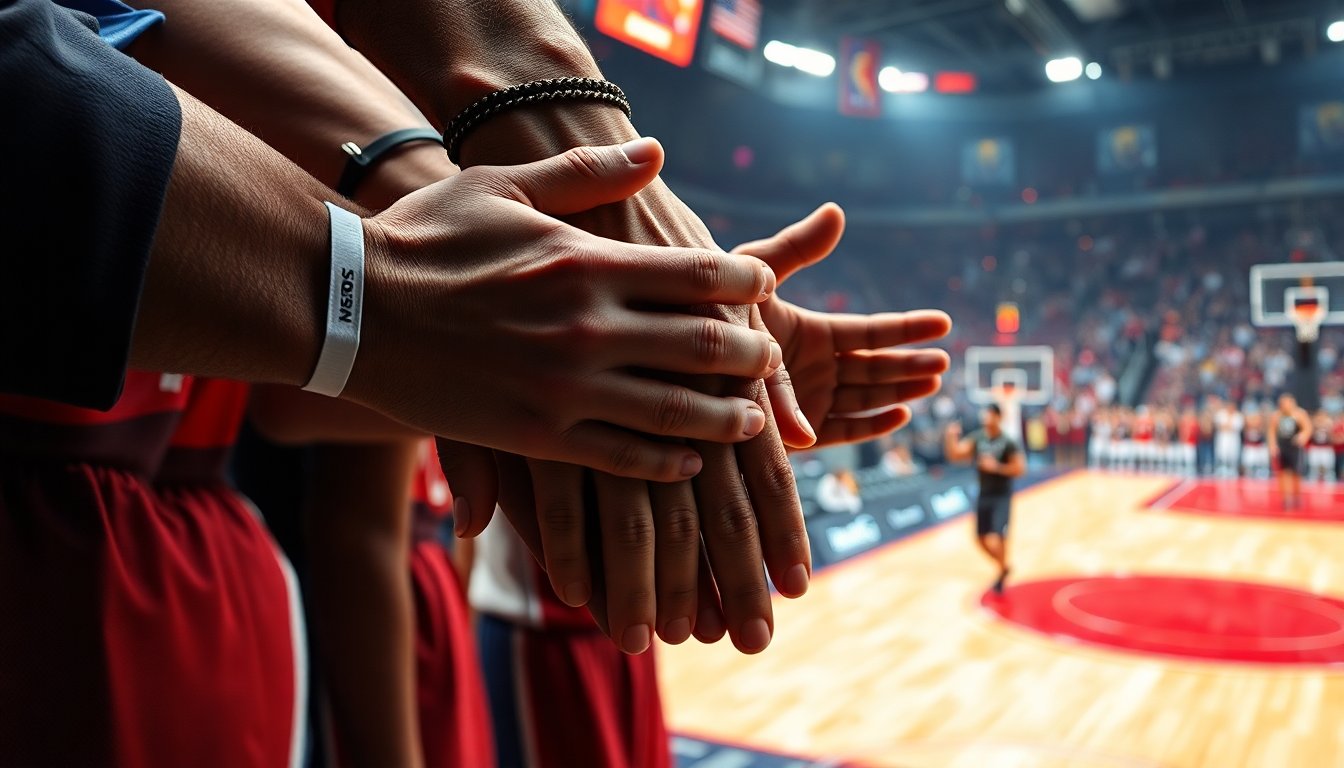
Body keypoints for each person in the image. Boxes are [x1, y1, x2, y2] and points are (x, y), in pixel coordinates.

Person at [945, 404, 1025, 595]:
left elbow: (1019, 469)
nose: (986, 419)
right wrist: (950, 436)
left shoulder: (1008, 442)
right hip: (984, 493)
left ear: (998, 417)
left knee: (1000, 535)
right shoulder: (977, 438)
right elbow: (956, 455)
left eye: (989, 415)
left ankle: (1001, 575)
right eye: (985, 415)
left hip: (1002, 495)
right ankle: (1003, 566)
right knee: (980, 538)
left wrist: (996, 467)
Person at [1268, 393, 1312, 507]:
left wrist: (1302, 436)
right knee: (1283, 473)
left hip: (1295, 448)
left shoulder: (1300, 414)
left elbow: (1307, 428)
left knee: (1297, 473)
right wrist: (1273, 446)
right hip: (1283, 447)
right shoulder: (1277, 415)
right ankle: (1286, 498)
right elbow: (1271, 431)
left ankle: (1297, 496)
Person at [1214, 400, 1245, 478]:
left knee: (1233, 456)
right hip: (1223, 439)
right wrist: (1227, 426)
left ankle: (1233, 471)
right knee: (1222, 455)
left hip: (1234, 439)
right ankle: (1222, 470)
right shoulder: (1221, 414)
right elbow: (1220, 426)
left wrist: (1227, 426)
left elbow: (1235, 427)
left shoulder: (1238, 416)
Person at [1306, 410, 1336, 483]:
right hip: (1315, 448)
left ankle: (1330, 484)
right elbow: (1309, 435)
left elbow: (1333, 438)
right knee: (1313, 469)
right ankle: (1312, 484)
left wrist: (1327, 428)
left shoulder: (1329, 424)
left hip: (1326, 448)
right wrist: (1315, 426)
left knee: (1328, 469)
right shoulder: (1313, 424)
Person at [1241, 410, 1270, 480]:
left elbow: (1263, 434)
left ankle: (1262, 474)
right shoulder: (1247, 427)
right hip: (1250, 447)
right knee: (1248, 463)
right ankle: (1249, 474)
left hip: (1259, 447)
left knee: (1262, 463)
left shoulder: (1261, 427)